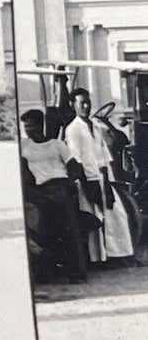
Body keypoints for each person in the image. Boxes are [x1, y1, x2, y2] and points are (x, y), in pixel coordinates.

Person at [63, 88, 137, 266]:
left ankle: (121, 255)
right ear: (74, 105)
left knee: (117, 215)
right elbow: (76, 160)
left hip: (102, 179)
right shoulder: (73, 129)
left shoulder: (95, 126)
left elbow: (104, 157)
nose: (86, 106)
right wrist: (88, 186)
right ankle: (97, 260)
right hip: (87, 181)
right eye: (82, 103)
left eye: (88, 102)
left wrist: (107, 182)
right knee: (94, 220)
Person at [18, 109, 89, 282]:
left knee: (70, 231)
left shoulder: (57, 145)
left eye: (31, 126)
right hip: (41, 190)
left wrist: (71, 184)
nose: (28, 130)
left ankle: (76, 273)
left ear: (40, 125)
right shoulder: (24, 146)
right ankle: (47, 272)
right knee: (45, 231)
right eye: (26, 127)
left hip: (62, 187)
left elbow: (74, 166)